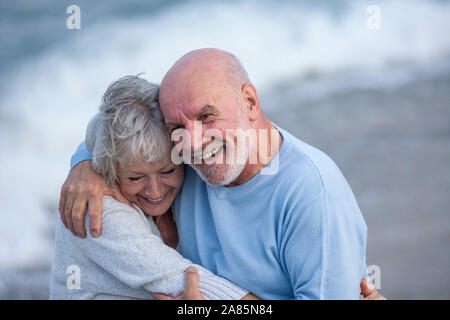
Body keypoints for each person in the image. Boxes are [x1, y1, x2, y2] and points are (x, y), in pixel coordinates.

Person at [61, 48, 383, 299]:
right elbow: (126, 126)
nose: (195, 141)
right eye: (177, 127)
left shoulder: (313, 196)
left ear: (250, 101)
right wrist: (85, 162)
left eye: (207, 116)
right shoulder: (180, 159)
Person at [50, 75, 256, 300]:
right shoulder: (101, 212)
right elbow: (201, 288)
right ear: (111, 170)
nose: (155, 191)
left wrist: (83, 159)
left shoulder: (190, 166)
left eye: (167, 171)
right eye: (135, 178)